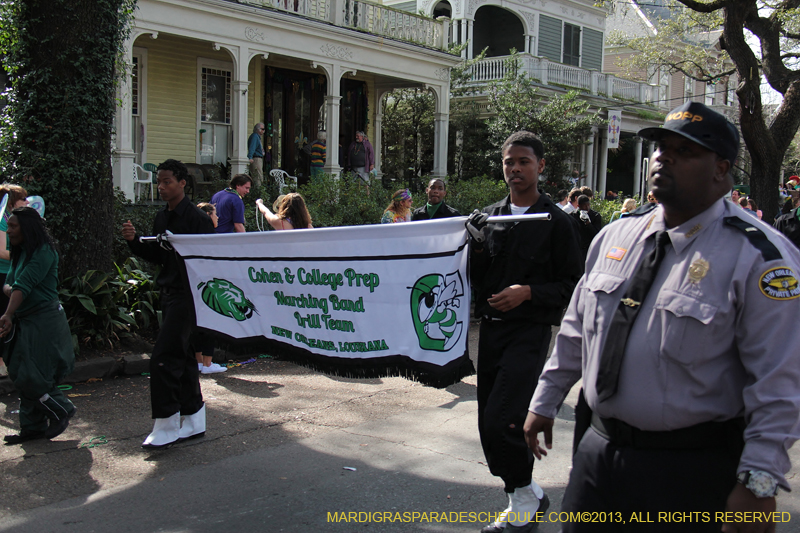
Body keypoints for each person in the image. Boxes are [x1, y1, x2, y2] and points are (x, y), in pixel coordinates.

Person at [524, 102, 800, 533]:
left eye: (685, 151)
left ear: (721, 170)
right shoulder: (616, 235)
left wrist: (759, 483)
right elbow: (578, 329)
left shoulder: (761, 258)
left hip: (690, 468)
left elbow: (780, 380)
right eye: (660, 148)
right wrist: (544, 400)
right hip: (597, 449)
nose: (664, 157)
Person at [465, 131, 582, 533]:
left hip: (529, 333)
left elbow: (572, 285)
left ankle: (522, 500)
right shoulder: (490, 217)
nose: (514, 169)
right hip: (492, 335)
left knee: (505, 419)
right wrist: (476, 246)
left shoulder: (557, 222)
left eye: (523, 162)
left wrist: (528, 292)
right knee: (486, 424)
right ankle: (525, 491)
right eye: (508, 162)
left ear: (540, 166)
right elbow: (476, 280)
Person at [122, 159, 216, 448]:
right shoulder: (161, 218)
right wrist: (135, 242)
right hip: (170, 294)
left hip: (189, 296)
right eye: (158, 182)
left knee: (164, 356)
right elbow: (159, 258)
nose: (161, 187)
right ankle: (194, 419)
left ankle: (166, 424)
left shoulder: (198, 220)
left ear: (182, 183)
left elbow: (209, 260)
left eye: (167, 182)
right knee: (184, 355)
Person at [1, 207, 76, 444]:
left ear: (27, 228)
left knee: (33, 374)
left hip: (44, 320)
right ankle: (32, 428)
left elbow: (22, 286)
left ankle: (61, 409)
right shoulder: (21, 251)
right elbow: (9, 284)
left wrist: (8, 313)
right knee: (19, 369)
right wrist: (14, 295)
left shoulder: (44, 252)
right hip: (27, 319)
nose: (8, 231)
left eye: (13, 226)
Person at [193, 203, 226, 375]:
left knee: (199, 325)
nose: (218, 217)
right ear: (207, 215)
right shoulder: (210, 237)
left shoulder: (193, 237)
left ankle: (200, 361)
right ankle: (207, 363)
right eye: (214, 214)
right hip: (210, 286)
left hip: (197, 285)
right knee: (210, 325)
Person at [571, 194, 603, 262]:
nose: (587, 207)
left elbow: (597, 234)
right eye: (585, 205)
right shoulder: (573, 216)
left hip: (590, 248)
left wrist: (588, 224)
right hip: (578, 249)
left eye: (588, 205)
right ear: (578, 206)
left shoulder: (595, 216)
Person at [247, 123, 266, 188]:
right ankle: (258, 191)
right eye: (262, 129)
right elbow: (252, 147)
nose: (263, 131)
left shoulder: (257, 137)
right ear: (258, 129)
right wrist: (250, 157)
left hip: (259, 158)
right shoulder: (255, 136)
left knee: (259, 176)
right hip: (256, 158)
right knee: (257, 177)